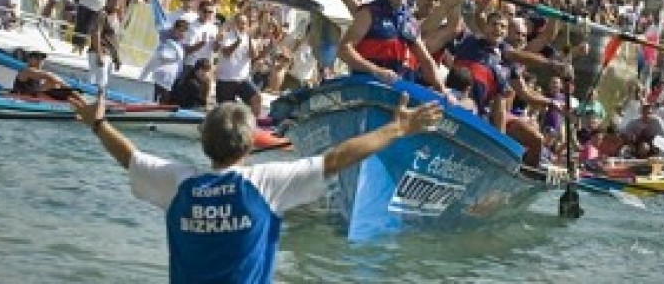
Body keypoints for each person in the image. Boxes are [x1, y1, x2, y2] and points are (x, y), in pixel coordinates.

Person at [67, 91, 442, 283]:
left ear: (203, 143)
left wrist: (98, 124)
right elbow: (337, 159)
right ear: (250, 146)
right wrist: (398, 128)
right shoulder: (265, 184)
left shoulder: (178, 184)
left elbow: (129, 157)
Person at [338, 0, 446, 94]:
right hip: (366, 89)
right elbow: (343, 50)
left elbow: (426, 60)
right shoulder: (368, 13)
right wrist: (376, 70)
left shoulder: (409, 21)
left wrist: (442, 90)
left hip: (396, 93)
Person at [141, 19, 189, 103]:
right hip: (159, 81)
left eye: (184, 32)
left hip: (169, 82)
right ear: (174, 30)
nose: (182, 34)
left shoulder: (180, 45)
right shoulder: (168, 43)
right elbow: (156, 59)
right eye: (180, 31)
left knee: (162, 106)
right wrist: (143, 76)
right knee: (153, 104)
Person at [88, 0, 122, 96]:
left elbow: (114, 40)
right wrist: (99, 55)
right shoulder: (102, 14)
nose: (117, 3)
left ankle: (99, 104)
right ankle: (96, 105)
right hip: (100, 52)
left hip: (109, 54)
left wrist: (117, 58)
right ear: (108, 1)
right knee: (100, 84)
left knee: (104, 84)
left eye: (119, 0)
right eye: (115, 0)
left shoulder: (116, 15)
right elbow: (95, 33)